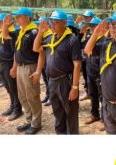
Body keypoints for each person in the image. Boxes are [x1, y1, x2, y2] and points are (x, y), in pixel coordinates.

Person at [36, 10, 83, 134]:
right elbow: (36, 48)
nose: (53, 24)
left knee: (71, 112)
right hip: (52, 81)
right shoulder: (50, 38)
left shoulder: (71, 39)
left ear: (64, 23)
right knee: (57, 112)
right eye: (51, 21)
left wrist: (75, 87)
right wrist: (40, 33)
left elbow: (77, 65)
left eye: (56, 22)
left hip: (65, 81)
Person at [8, 7, 43, 135]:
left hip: (30, 67)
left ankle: (36, 123)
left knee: (32, 96)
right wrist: (14, 67)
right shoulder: (20, 32)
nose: (16, 18)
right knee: (22, 96)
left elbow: (41, 53)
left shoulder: (34, 32)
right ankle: (29, 120)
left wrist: (38, 71)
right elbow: (16, 50)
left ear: (27, 18)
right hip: (20, 67)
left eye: (19, 16)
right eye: (16, 16)